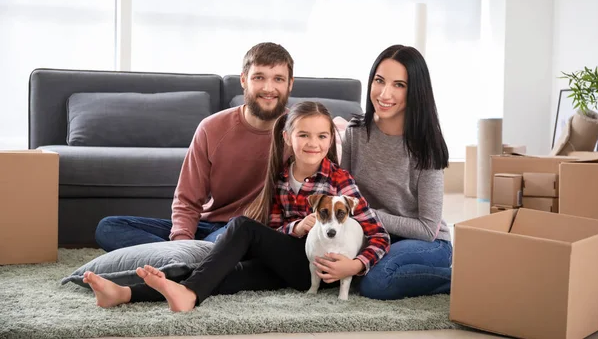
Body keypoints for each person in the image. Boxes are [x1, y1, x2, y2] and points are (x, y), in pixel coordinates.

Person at [82, 101, 390, 311]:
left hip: (315, 269)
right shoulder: (282, 176)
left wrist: (355, 265)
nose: (314, 143)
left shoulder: (339, 181)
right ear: (287, 137)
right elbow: (274, 227)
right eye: (304, 135)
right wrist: (295, 227)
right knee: (217, 273)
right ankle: (125, 294)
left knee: (241, 226)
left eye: (322, 136)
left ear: (331, 140)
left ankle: (187, 296)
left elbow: (379, 235)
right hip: (284, 263)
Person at [95, 42, 295, 251]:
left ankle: (180, 261)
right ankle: (188, 260)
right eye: (259, 77)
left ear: (290, 84)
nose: (268, 88)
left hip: (250, 231)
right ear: (244, 80)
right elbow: (187, 198)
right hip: (208, 227)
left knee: (231, 236)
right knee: (109, 227)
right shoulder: (212, 128)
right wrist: (182, 240)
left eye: (278, 79)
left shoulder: (301, 133)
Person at [341, 44, 452, 300]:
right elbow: (342, 192)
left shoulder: (427, 146)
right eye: (379, 81)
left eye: (399, 85)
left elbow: (427, 228)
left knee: (375, 283)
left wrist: (364, 214)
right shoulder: (355, 131)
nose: (385, 93)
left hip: (427, 243)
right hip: (373, 234)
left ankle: (461, 279)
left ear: (415, 91)